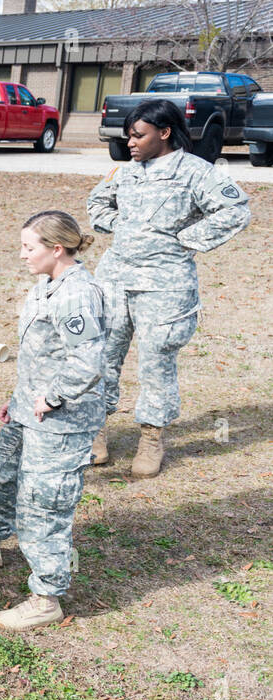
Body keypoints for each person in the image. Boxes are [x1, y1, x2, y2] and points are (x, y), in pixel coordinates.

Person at [0, 211, 106, 630]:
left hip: (60, 420)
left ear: (56, 249)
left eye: (29, 247)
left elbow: (87, 361)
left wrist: (52, 398)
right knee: (0, 476)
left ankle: (46, 597)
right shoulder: (47, 284)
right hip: (29, 409)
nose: (22, 255)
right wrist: (19, 399)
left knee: (44, 506)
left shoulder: (78, 294)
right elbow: (41, 355)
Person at [87, 98, 250, 477]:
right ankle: (95, 434)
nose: (131, 143)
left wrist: (184, 240)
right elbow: (97, 202)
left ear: (164, 133)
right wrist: (121, 226)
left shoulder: (197, 173)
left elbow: (235, 210)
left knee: (157, 362)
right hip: (114, 280)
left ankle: (151, 438)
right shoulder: (125, 172)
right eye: (128, 135)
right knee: (99, 357)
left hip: (164, 286)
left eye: (138, 135)